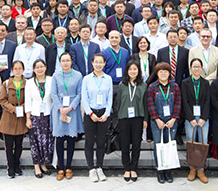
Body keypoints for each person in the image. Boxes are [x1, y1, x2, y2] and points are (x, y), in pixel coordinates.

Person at [51, 52, 84, 181]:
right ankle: (60, 167)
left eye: (67, 60)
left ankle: (69, 167)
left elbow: (80, 93)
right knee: (59, 140)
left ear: (71, 61)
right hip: (59, 109)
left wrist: (70, 108)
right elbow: (53, 93)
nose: (65, 63)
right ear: (60, 62)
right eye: (63, 60)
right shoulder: (56, 75)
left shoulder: (78, 75)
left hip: (73, 110)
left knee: (71, 140)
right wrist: (61, 109)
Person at [81, 54, 113, 182]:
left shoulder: (108, 79)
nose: (98, 64)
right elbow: (84, 97)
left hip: (104, 114)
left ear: (104, 63)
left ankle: (99, 167)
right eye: (96, 62)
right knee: (89, 141)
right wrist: (90, 113)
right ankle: (91, 169)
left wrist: (106, 113)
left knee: (101, 142)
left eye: (101, 62)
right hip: (91, 114)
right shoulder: (87, 79)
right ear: (92, 63)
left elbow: (110, 97)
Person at [147, 62, 181, 184]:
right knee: (158, 146)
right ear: (156, 73)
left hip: (171, 121)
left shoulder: (175, 86)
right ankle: (160, 170)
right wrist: (157, 119)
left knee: (169, 145)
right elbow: (150, 105)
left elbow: (178, 103)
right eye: (160, 71)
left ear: (169, 73)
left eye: (165, 71)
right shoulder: (152, 87)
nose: (163, 73)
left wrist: (174, 119)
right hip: (157, 122)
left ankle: (168, 170)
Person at [115, 60, 147, 182]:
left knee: (136, 144)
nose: (132, 71)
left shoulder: (143, 86)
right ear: (127, 71)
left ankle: (134, 167)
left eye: (135, 69)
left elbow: (145, 104)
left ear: (138, 71)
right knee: (125, 144)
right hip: (124, 118)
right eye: (130, 69)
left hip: (138, 118)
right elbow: (118, 103)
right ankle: (126, 167)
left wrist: (145, 119)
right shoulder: (122, 85)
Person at [181, 58, 211, 183]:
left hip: (203, 118)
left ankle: (201, 169)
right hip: (191, 118)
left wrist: (203, 118)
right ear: (191, 68)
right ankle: (192, 168)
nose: (196, 69)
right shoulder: (185, 82)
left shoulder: (205, 83)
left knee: (202, 143)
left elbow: (207, 101)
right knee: (192, 143)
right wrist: (191, 118)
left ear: (202, 68)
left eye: (199, 67)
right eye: (194, 66)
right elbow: (185, 101)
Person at [0, 61, 29, 178]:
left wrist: (22, 108)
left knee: (19, 144)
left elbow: (30, 99)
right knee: (9, 145)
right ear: (12, 70)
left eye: (20, 68)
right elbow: (2, 100)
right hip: (9, 117)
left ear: (23, 70)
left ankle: (17, 165)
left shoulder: (27, 83)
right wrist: (13, 109)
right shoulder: (6, 83)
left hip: (21, 118)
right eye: (15, 68)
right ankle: (10, 166)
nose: (17, 70)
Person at [25, 59, 53, 178]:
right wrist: (28, 118)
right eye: (37, 67)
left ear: (45, 68)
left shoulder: (51, 80)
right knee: (35, 141)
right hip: (35, 115)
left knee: (47, 141)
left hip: (48, 114)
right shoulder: (30, 82)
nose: (40, 69)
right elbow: (27, 101)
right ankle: (36, 165)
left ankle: (43, 164)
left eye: (42, 67)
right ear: (33, 70)